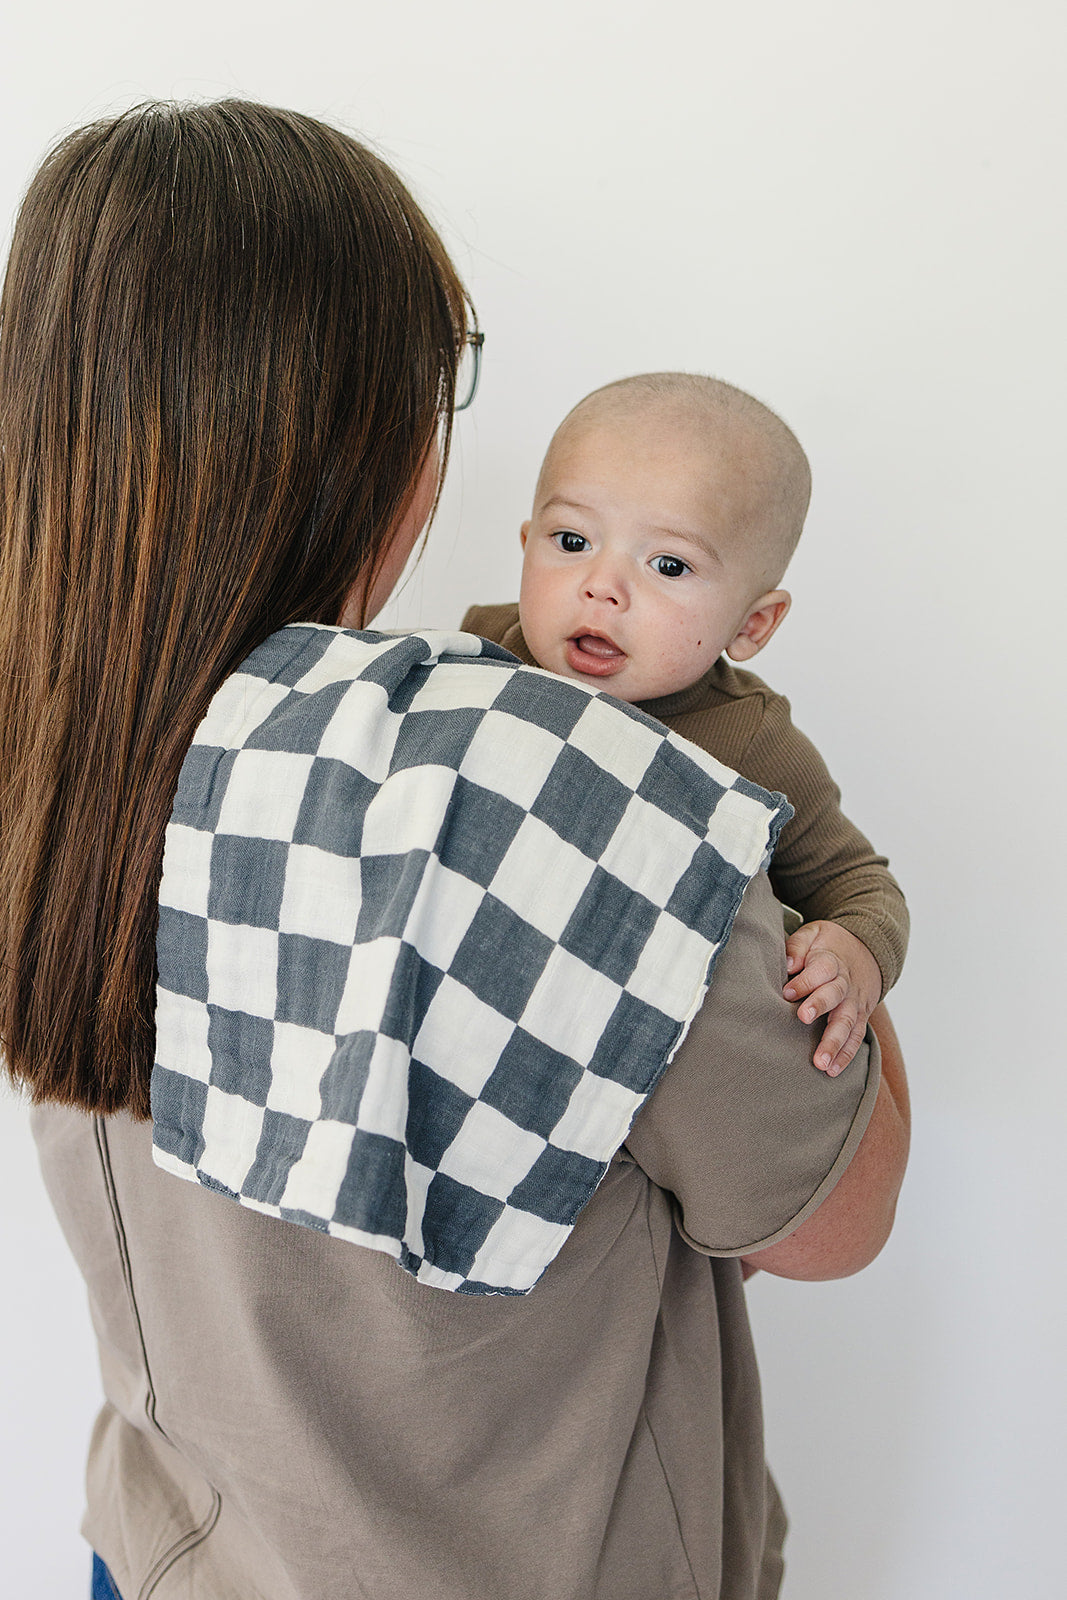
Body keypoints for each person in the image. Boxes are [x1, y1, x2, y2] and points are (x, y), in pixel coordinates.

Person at [0, 102, 909, 1600]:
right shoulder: (533, 772)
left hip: (170, 1559)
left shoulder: (49, 743)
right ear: (353, 430)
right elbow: (833, 1216)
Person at [463, 372, 909, 1077]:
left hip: (645, 1049)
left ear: (752, 624)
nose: (602, 585)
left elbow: (857, 883)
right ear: (525, 544)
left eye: (667, 563)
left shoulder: (751, 741)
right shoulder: (479, 656)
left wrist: (854, 951)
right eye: (571, 540)